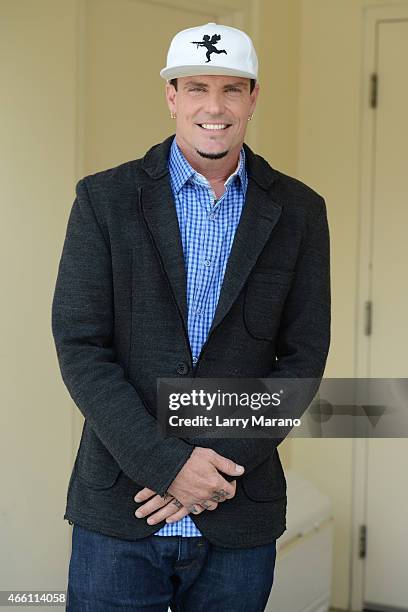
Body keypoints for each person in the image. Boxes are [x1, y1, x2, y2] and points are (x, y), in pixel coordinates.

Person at [51, 21, 331, 612]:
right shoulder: (104, 201)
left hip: (238, 515)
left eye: (232, 89)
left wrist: (208, 471)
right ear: (171, 96)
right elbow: (81, 347)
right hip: (121, 513)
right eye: (197, 87)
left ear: (254, 98)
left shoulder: (300, 212)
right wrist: (169, 464)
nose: (215, 106)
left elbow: (302, 360)